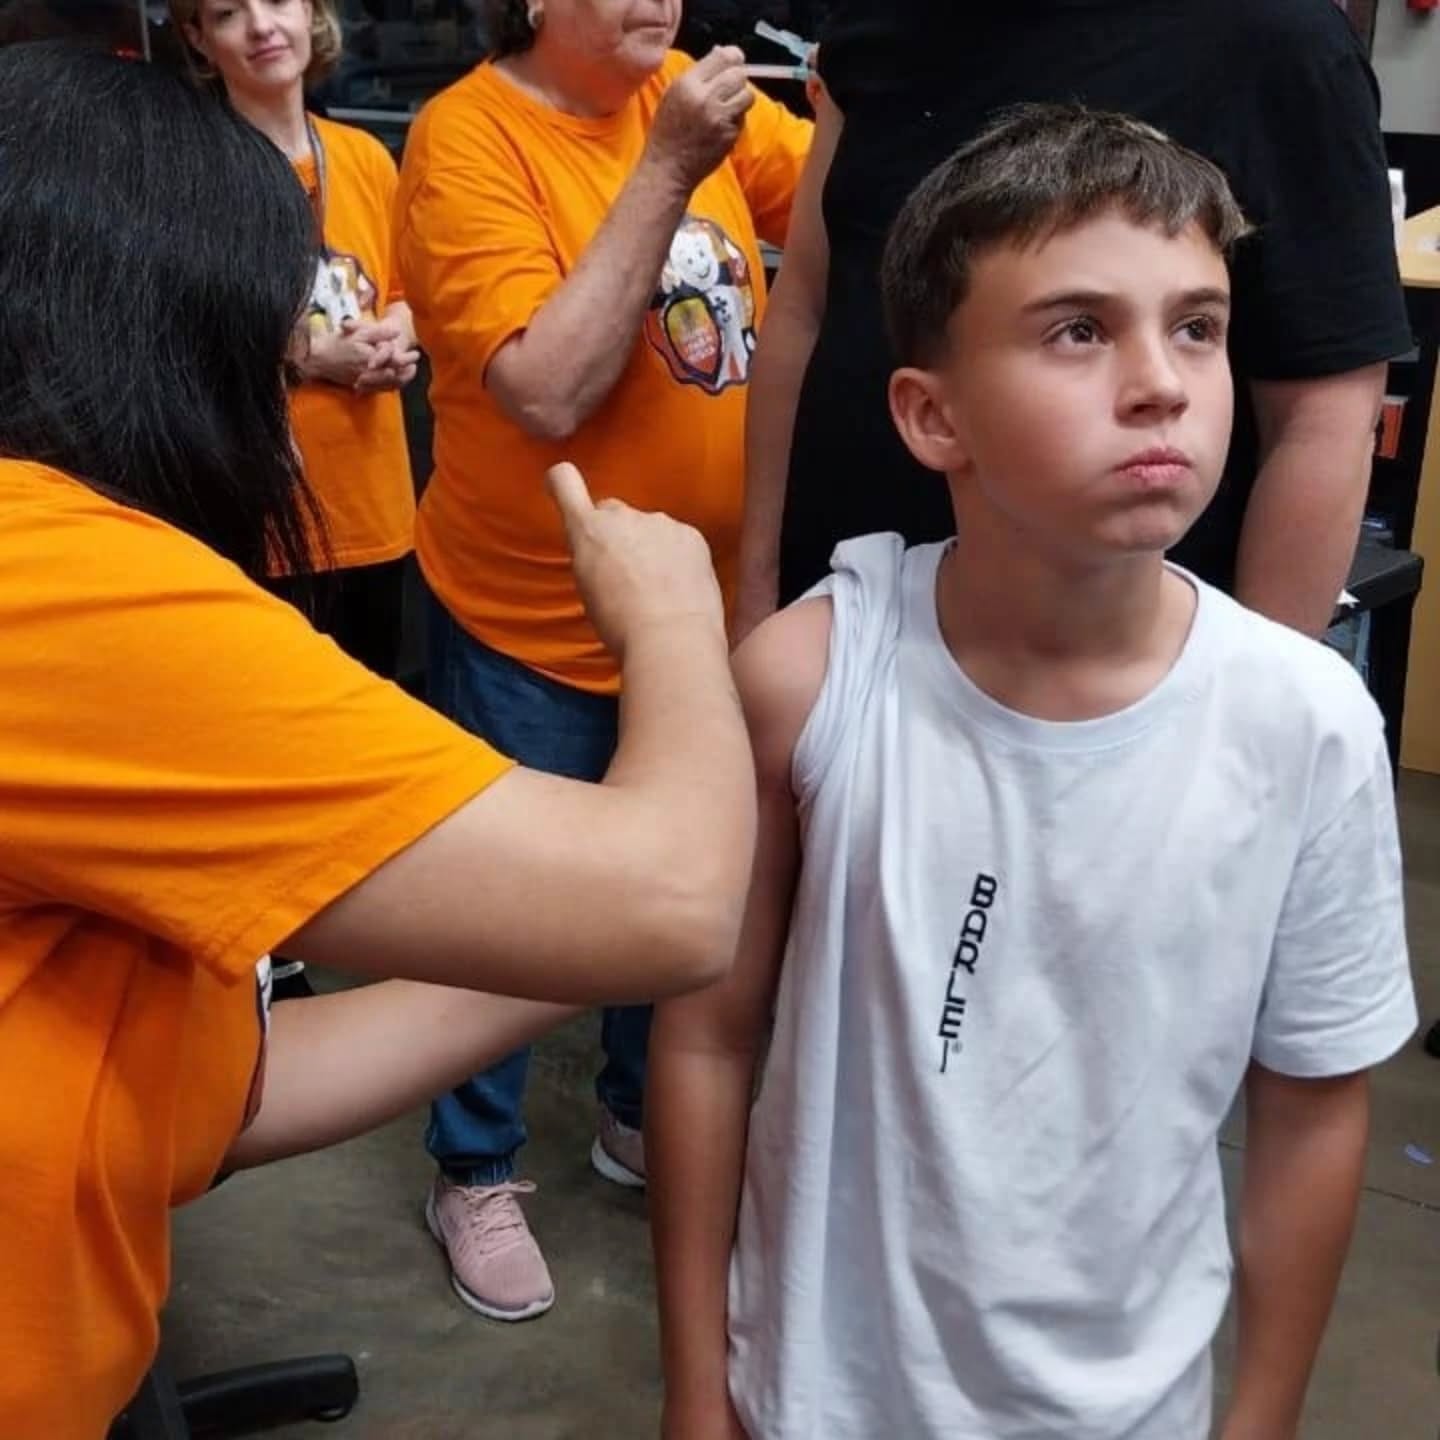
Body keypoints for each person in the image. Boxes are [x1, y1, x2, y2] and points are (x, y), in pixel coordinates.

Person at [0, 43, 755, 1438]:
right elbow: (676, 898)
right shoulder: (47, 579)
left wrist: (569, 937)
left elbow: (221, 1092)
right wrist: (678, 622)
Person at [648, 107, 1418, 1440]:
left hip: (1128, 1410)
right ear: (932, 414)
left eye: (1197, 327)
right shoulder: (815, 680)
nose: (1161, 383)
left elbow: (1310, 1108)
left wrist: (1263, 1417)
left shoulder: (1305, 727)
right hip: (815, 1399)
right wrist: (695, 1393)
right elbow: (708, 1037)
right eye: (1078, 331)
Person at [393, 0, 810, 1322]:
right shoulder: (468, 136)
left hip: (695, 618)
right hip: (533, 620)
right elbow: (548, 388)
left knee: (674, 886)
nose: (659, 2)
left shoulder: (685, 87)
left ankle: (636, 1110)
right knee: (506, 916)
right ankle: (474, 1167)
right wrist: (671, 163)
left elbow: (841, 198)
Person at [734, 0, 1412, 645]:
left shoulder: (1275, 37)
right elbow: (805, 308)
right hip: (845, 633)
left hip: (1122, 672)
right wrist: (758, 597)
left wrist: (1252, 701)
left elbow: (1322, 420)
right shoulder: (879, 21)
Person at [170, 0, 423, 1000]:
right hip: (259, 511)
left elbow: (405, 286)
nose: (259, 26)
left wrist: (399, 336)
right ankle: (274, 952)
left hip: (372, 504)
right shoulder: (198, 169)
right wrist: (312, 359)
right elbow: (184, 327)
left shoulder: (361, 156)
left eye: (275, 0)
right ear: (199, 41)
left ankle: (339, 914)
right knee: (262, 741)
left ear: (311, 14)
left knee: (357, 728)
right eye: (225, 13)